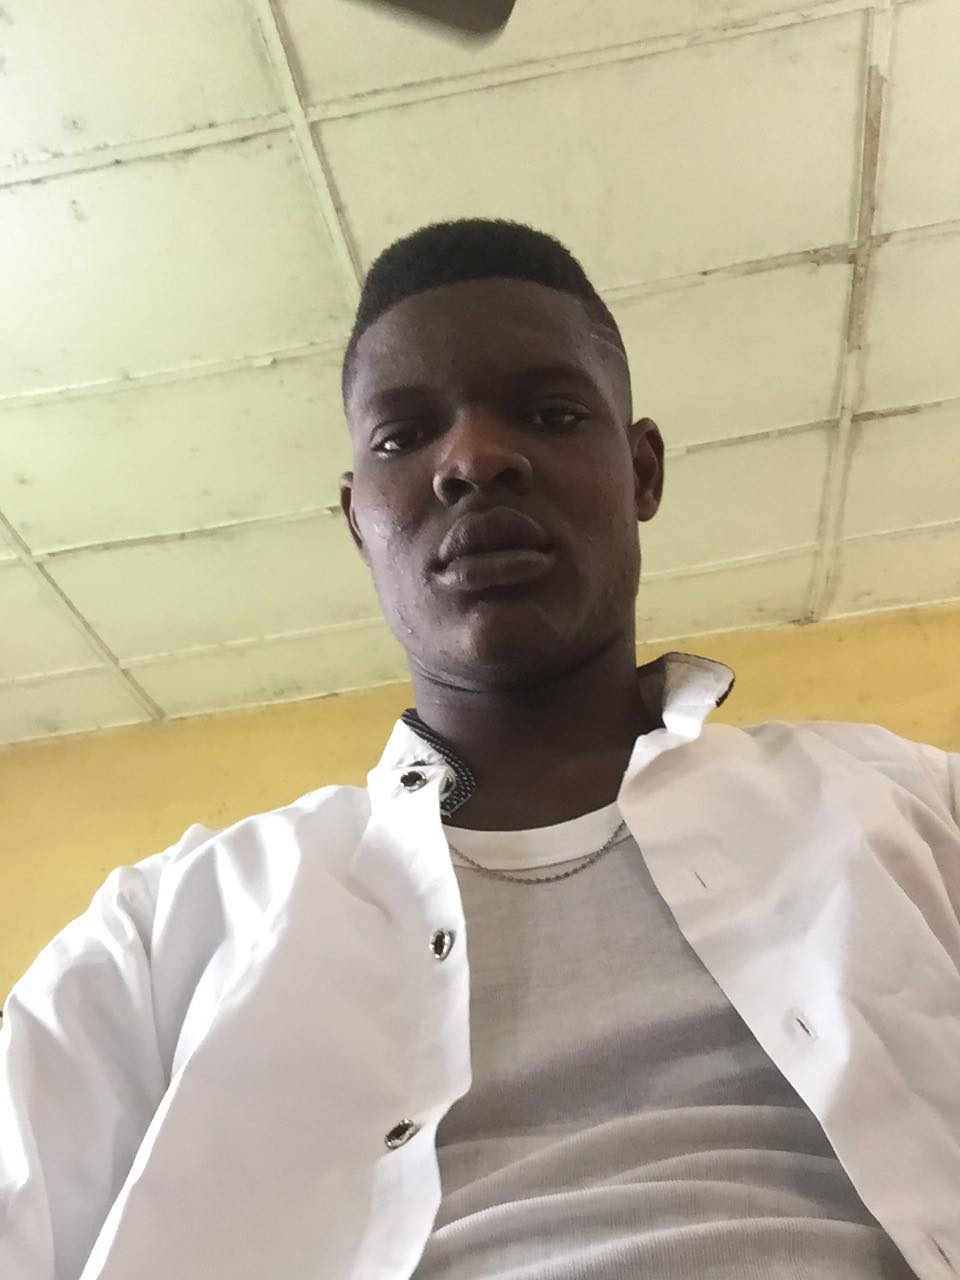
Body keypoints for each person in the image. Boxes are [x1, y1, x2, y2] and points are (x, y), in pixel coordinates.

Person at [1, 219, 958, 1280]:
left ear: (641, 470)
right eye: (403, 437)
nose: (474, 459)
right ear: (357, 518)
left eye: (550, 414)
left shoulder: (912, 806)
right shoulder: (162, 933)